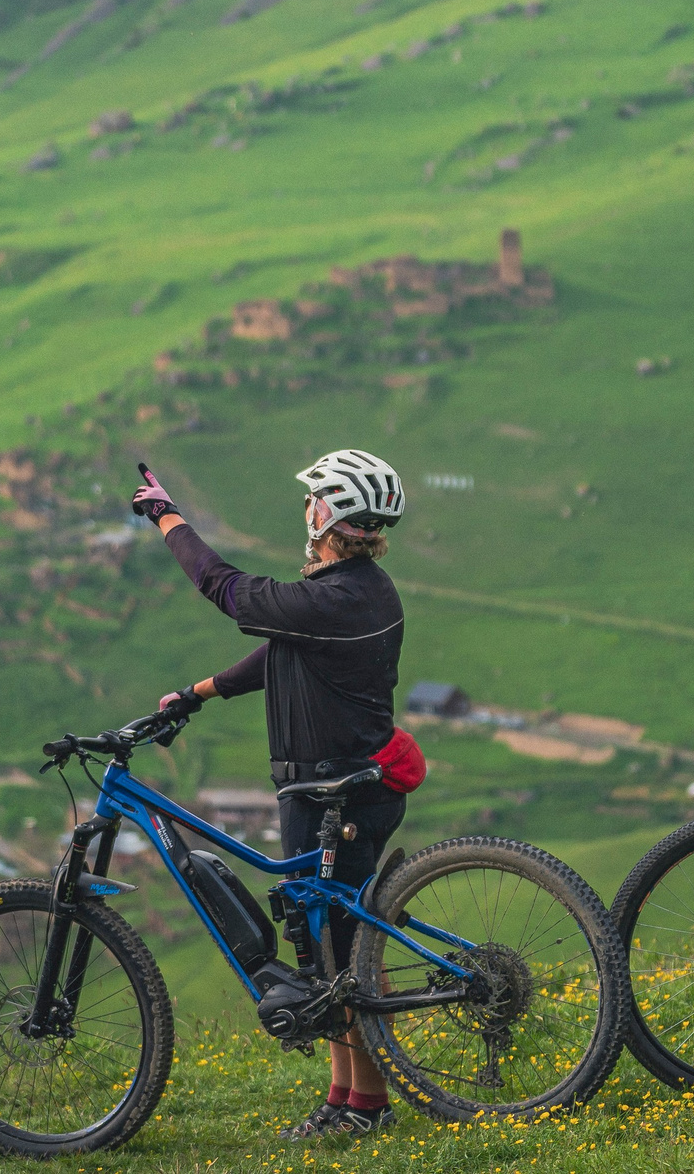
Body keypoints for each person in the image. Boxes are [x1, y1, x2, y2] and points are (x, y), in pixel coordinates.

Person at [131, 449, 410, 1138]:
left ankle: (366, 1106)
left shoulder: (331, 596)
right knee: (322, 949)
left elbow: (224, 586)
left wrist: (167, 516)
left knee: (340, 954)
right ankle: (345, 1097)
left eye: (313, 499)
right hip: (344, 785)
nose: (306, 508)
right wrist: (199, 693)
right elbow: (285, 650)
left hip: (328, 793)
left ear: (327, 514)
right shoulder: (360, 590)